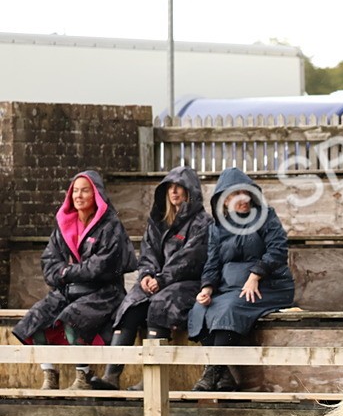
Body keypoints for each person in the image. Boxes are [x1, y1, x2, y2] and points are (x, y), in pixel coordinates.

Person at [12, 171, 136, 390]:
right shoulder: (63, 225)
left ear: (96, 194)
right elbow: (49, 263)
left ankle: (83, 376)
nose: (78, 196)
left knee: (72, 320)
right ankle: (50, 374)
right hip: (68, 291)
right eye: (75, 191)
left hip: (104, 293)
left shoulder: (110, 226)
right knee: (35, 321)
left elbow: (100, 267)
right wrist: (69, 273)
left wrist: (67, 271)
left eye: (84, 190)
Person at [90, 165, 211, 390]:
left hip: (188, 283)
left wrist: (162, 279)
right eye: (170, 188)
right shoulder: (157, 221)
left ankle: (151, 381)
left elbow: (189, 259)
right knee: (131, 303)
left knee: (160, 304)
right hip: (158, 281)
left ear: (190, 190)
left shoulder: (203, 222)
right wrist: (146, 274)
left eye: (179, 187)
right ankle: (111, 375)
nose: (174, 192)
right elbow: (148, 252)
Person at [187, 167, 295, 391]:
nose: (241, 199)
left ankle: (211, 373)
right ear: (224, 202)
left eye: (243, 193)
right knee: (200, 310)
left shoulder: (267, 216)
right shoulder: (217, 228)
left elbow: (277, 250)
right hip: (230, 289)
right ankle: (225, 376)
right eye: (234, 195)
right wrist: (207, 288)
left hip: (268, 286)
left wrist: (256, 275)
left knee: (229, 309)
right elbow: (212, 263)